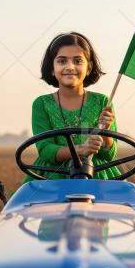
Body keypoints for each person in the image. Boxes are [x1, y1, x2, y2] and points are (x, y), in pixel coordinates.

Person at [20, 32, 120, 184]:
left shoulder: (103, 102)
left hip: (95, 175)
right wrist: (81, 149)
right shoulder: (41, 104)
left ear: (89, 67)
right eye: (61, 61)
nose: (70, 67)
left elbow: (109, 155)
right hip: (52, 176)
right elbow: (45, 150)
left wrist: (105, 133)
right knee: (26, 206)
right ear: (52, 68)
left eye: (78, 61)